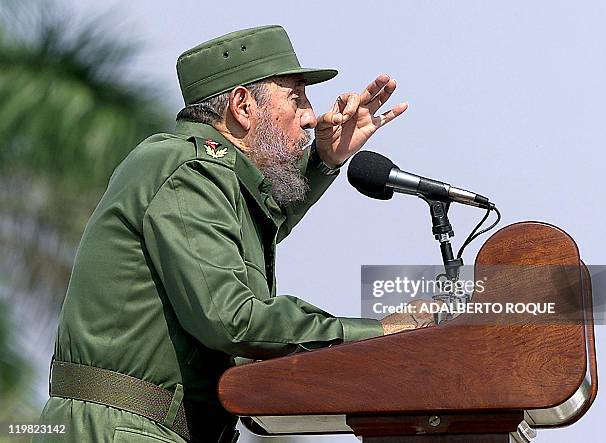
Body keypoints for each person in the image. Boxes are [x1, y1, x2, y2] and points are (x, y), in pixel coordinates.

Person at [36, 25, 433, 443]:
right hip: (121, 430)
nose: (311, 116)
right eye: (295, 97)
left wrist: (323, 157)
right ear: (243, 106)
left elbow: (257, 218)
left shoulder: (210, 177)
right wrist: (377, 335)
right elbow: (231, 319)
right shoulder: (189, 171)